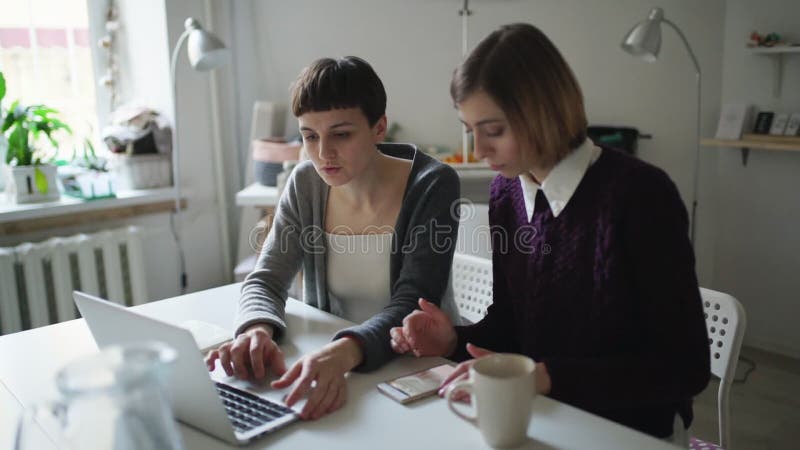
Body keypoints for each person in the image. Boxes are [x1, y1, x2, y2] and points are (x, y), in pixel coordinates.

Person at [390, 23, 710, 443]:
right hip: (538, 415)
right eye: (471, 131)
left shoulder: (641, 195)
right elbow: (511, 325)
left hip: (631, 430)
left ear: (543, 110)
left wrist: (545, 378)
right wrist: (454, 338)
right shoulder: (507, 191)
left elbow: (684, 367)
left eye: (494, 130)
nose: (479, 151)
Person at [206, 56, 461, 421]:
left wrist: (342, 352)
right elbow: (267, 279)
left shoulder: (433, 184)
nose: (323, 153)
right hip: (336, 362)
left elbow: (412, 302)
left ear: (379, 128)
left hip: (418, 371)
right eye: (309, 136)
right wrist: (255, 329)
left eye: (341, 134)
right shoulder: (306, 182)